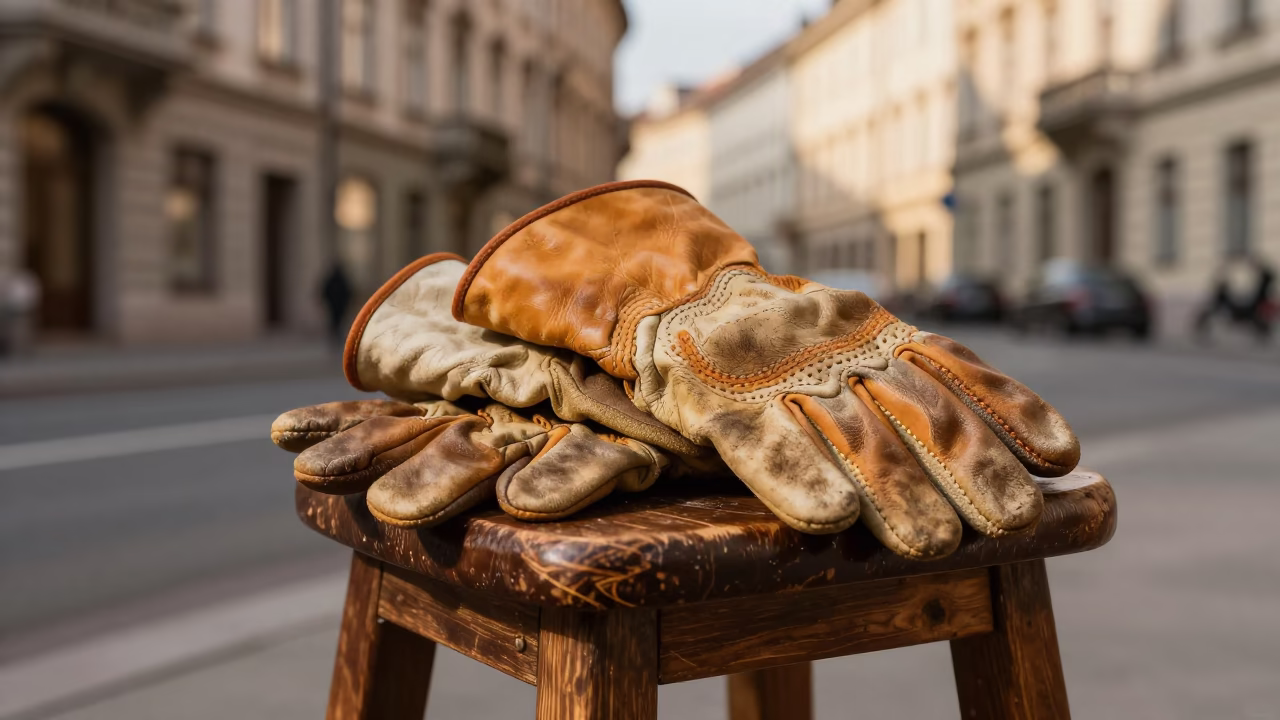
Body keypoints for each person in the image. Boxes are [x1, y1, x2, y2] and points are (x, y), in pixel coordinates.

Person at [320, 261, 353, 348]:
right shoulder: (339, 280)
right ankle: (336, 338)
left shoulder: (338, 280)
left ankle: (336, 338)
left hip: (336, 305)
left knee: (336, 322)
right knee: (337, 322)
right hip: (337, 305)